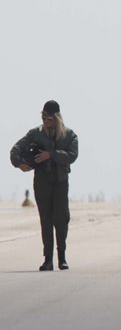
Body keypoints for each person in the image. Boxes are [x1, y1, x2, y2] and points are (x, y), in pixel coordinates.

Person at [9, 100, 79, 271]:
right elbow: (15, 149)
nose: (45, 121)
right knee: (46, 220)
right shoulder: (35, 133)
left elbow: (72, 156)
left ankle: (62, 257)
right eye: (43, 118)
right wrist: (19, 164)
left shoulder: (69, 135)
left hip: (61, 182)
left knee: (61, 218)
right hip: (42, 182)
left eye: (48, 118)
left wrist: (52, 154)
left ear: (56, 118)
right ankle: (48, 259)